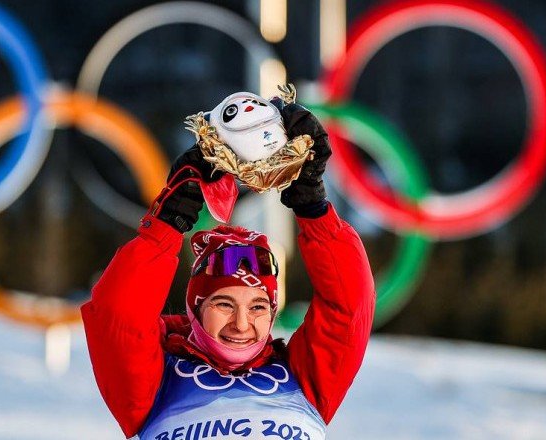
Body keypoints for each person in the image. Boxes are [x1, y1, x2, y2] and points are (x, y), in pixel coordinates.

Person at [81, 99, 375, 440]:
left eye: (258, 307)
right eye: (224, 304)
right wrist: (169, 220)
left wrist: (313, 205)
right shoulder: (154, 386)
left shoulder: (306, 380)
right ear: (195, 307)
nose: (241, 324)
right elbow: (120, 315)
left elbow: (350, 305)